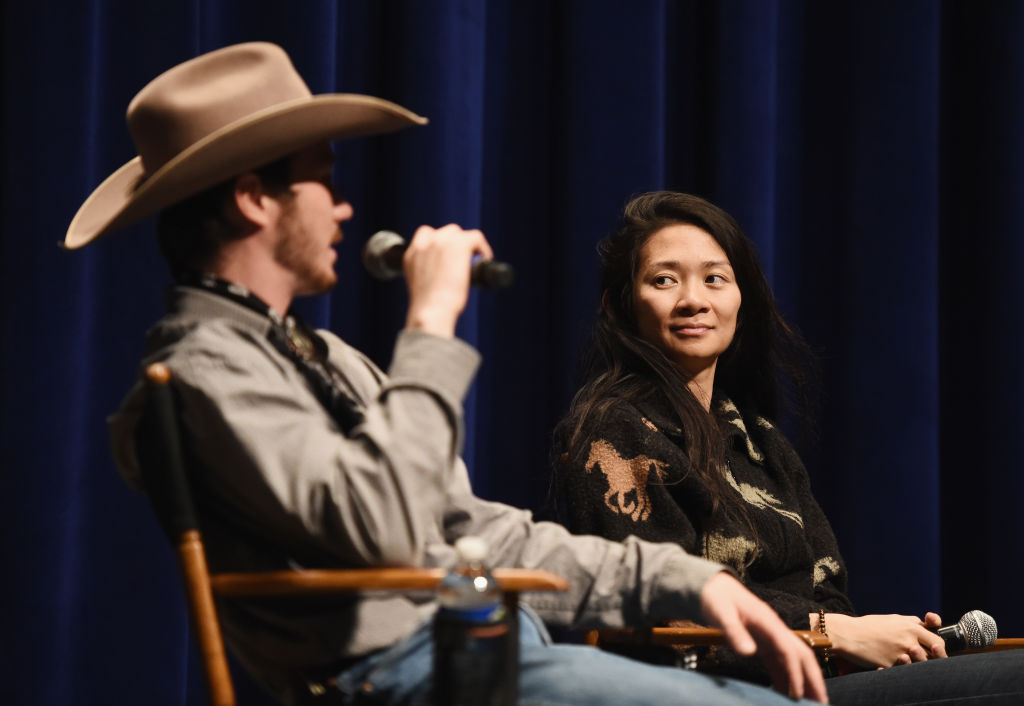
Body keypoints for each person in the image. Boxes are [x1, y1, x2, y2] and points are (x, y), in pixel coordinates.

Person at [66, 43, 829, 706]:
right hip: (401, 676)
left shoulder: (321, 358)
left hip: (492, 651)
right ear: (253, 198)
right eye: (321, 181)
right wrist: (430, 321)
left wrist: (686, 580)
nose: (342, 209)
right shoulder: (202, 372)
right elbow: (382, 527)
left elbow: (470, 531)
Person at [551, 190, 1024, 705]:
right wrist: (830, 631)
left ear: (740, 301)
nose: (694, 299)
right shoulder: (612, 429)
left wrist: (877, 638)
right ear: (619, 305)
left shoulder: (763, 443)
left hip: (811, 680)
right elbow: (665, 608)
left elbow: (827, 591)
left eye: (715, 278)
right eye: (664, 280)